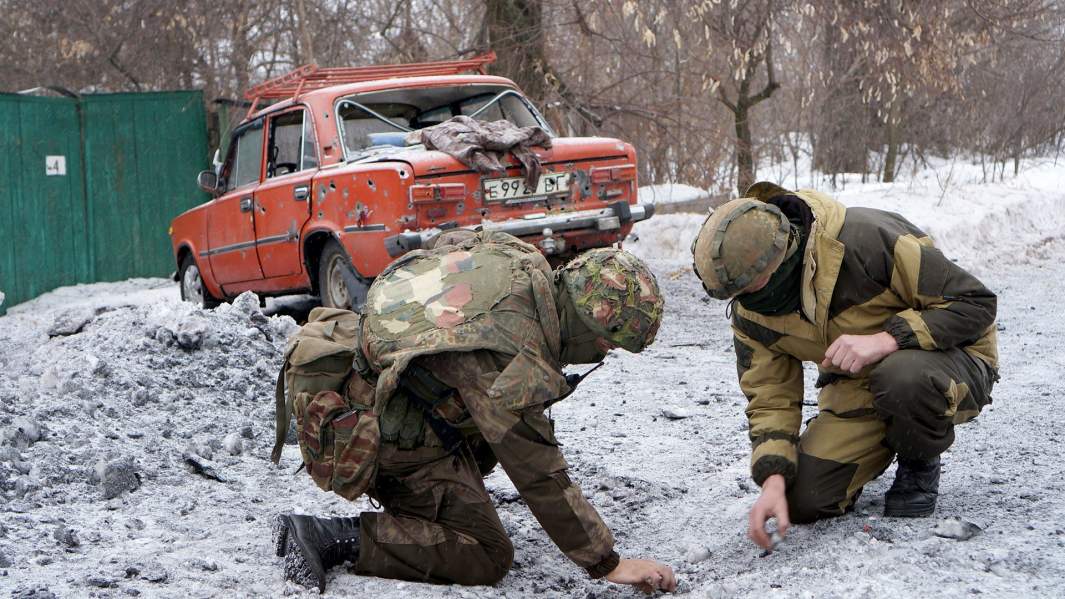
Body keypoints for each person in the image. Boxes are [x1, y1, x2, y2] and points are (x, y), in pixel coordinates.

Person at [274, 230, 676, 593]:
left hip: (370, 379)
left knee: (489, 429)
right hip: (377, 433)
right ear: (585, 326)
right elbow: (537, 469)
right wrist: (608, 563)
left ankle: (435, 485)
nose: (603, 353)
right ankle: (329, 535)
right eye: (606, 344)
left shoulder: (519, 256)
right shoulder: (512, 355)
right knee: (487, 554)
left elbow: (443, 246)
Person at [690, 182, 998, 550]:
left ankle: (919, 459)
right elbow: (771, 398)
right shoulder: (751, 312)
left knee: (902, 378)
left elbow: (975, 303)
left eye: (745, 287)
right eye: (731, 293)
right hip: (858, 384)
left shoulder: (869, 240)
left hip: (949, 361)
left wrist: (887, 339)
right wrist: (773, 478)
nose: (741, 300)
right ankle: (886, 434)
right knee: (803, 500)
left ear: (777, 256)